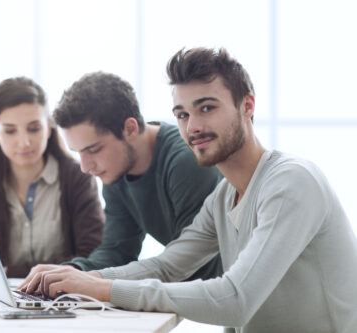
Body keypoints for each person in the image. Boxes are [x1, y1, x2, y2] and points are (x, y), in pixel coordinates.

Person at [21, 48, 357, 332]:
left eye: (206, 108)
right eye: (182, 114)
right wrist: (82, 279)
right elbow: (167, 267)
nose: (192, 127)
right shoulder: (224, 197)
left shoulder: (291, 182)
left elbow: (235, 298)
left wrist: (105, 288)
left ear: (247, 106)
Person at [20, 72, 224, 284]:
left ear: (130, 129)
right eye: (78, 152)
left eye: (94, 149)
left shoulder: (186, 162)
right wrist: (71, 272)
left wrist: (95, 280)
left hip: (224, 302)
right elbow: (116, 252)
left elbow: (186, 264)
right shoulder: (117, 170)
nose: (85, 167)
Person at [0, 77, 104, 285]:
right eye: (10, 131)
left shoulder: (77, 178)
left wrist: (8, 271)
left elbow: (93, 256)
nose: (24, 143)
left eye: (34, 129)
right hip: (0, 305)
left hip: (60, 297)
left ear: (49, 127)